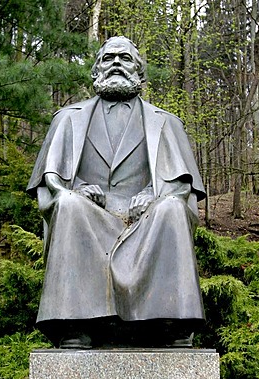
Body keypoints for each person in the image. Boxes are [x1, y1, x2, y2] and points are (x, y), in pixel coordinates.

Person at [27, 36, 206, 349]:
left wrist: (155, 192)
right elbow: (51, 179)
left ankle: (171, 322)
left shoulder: (167, 122)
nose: (116, 64)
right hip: (90, 215)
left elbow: (183, 185)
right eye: (108, 58)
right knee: (68, 204)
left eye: (124, 58)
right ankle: (75, 324)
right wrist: (78, 187)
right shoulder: (68, 119)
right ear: (97, 68)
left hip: (145, 218)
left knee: (172, 209)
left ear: (139, 69)